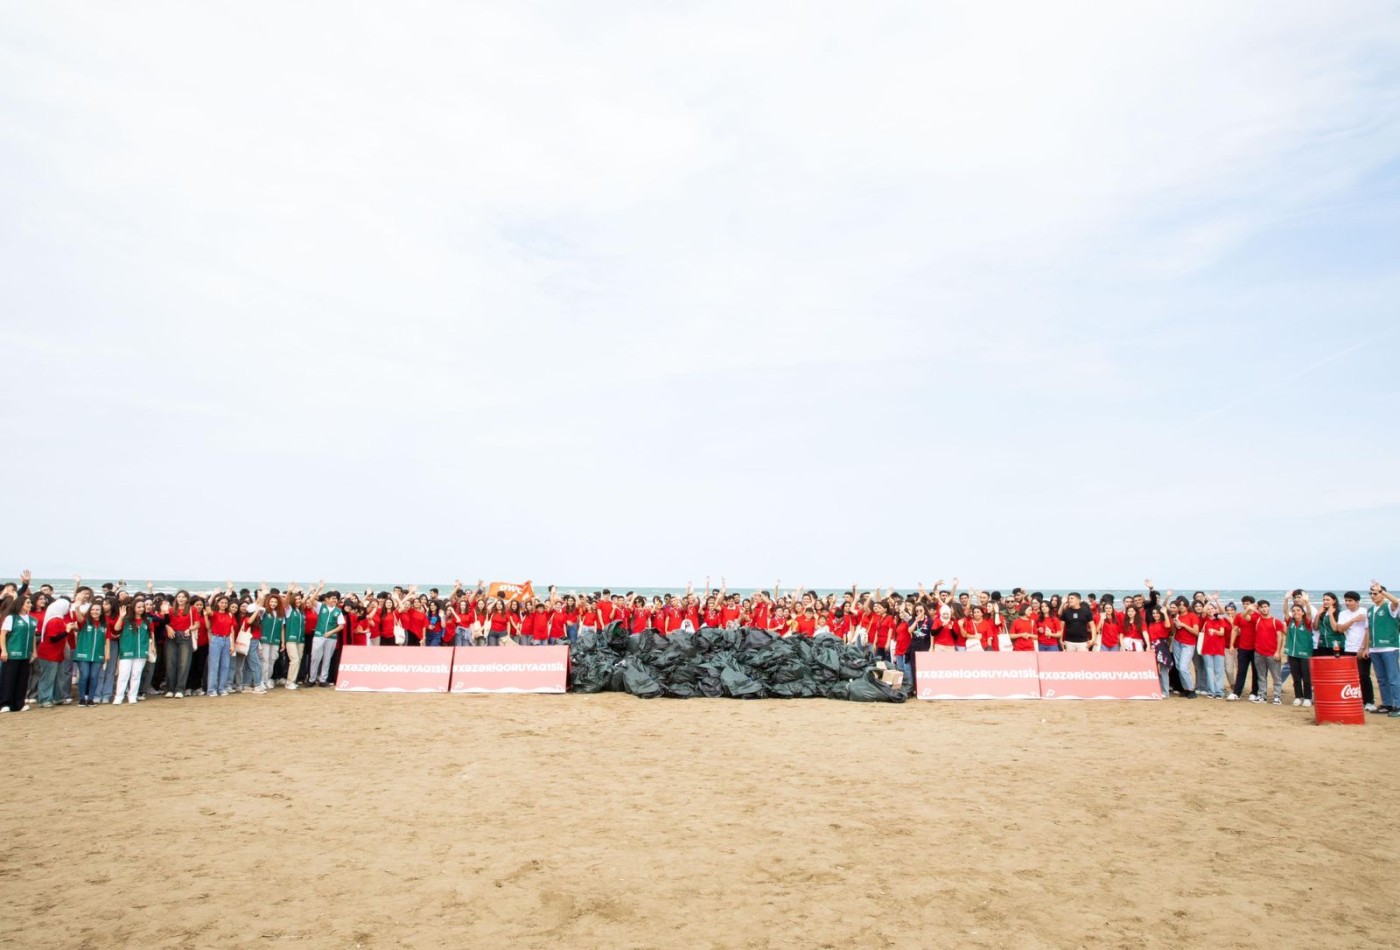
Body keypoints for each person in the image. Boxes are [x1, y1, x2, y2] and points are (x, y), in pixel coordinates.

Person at [1332, 591, 1375, 710]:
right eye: (1346, 600)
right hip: (1348, 648)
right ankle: (1357, 700)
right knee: (1351, 676)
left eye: (1350, 601)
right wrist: (1353, 620)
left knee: (1363, 675)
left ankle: (1369, 701)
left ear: (1357, 602)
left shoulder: (1364, 612)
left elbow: (1368, 631)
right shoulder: (1343, 614)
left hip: (1361, 648)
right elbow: (1340, 629)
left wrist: (1364, 648)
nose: (1347, 603)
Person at [1366, 582, 1400, 716]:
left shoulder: (1389, 607)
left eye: (1376, 593)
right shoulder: (1370, 611)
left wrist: (1382, 591)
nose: (1373, 596)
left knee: (1393, 678)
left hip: (1389, 647)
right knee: (1381, 678)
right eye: (1371, 594)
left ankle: (1397, 705)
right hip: (1375, 649)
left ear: (1382, 594)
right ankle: (1387, 704)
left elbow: (1396, 601)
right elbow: (1368, 629)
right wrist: (1367, 647)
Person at [0, 593, 37, 712]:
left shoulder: (32, 620)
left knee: (22, 680)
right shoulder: (11, 618)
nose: (30, 605)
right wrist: (4, 650)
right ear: (21, 604)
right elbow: (3, 634)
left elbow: (32, 638)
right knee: (8, 679)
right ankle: (4, 703)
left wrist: (34, 652)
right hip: (12, 653)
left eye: (30, 603)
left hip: (25, 654)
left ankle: (19, 704)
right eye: (28, 603)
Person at [113, 597, 153, 706]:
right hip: (126, 651)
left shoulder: (148, 621)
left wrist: (152, 647)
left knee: (136, 674)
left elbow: (151, 634)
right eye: (138, 607)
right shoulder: (126, 620)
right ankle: (119, 696)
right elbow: (116, 628)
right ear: (134, 608)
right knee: (124, 674)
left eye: (142, 607)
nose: (141, 609)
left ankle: (132, 696)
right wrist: (121, 617)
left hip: (141, 651)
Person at [72, 602, 108, 707]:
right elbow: (79, 618)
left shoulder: (104, 625)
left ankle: (91, 699)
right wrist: (77, 607)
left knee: (94, 677)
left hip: (98, 655)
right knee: (85, 675)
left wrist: (107, 653)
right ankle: (82, 698)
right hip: (83, 654)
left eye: (97, 610)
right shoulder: (85, 622)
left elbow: (107, 639)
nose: (94, 612)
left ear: (101, 612)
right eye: (92, 609)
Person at [309, 591, 345, 687]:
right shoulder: (321, 607)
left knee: (327, 658)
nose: (334, 600)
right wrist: (319, 589)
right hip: (318, 635)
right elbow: (311, 600)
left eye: (336, 598)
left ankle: (323, 679)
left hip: (331, 638)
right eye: (332, 598)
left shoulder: (338, 611)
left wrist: (331, 632)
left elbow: (341, 626)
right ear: (327, 599)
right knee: (315, 657)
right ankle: (312, 679)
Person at [1228, 596, 1260, 702]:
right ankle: (1237, 692)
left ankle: (1254, 692)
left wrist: (1250, 610)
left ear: (1253, 604)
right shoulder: (1239, 616)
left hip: (1256, 648)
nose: (1246, 605)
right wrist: (1232, 645)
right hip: (1243, 647)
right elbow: (1235, 630)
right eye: (1244, 604)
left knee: (1256, 671)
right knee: (1241, 671)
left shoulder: (1257, 616)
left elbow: (1248, 618)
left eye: (1248, 603)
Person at [1284, 600, 1315, 707]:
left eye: (1298, 610)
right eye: (1293, 611)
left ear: (1302, 612)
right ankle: (1298, 697)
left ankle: (1308, 698)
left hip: (1305, 654)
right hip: (1292, 654)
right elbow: (1285, 612)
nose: (1295, 612)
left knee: (1306, 677)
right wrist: (1286, 600)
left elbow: (1310, 614)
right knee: (1296, 677)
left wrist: (1306, 603)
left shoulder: (1306, 622)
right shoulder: (1290, 622)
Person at [1169, 597, 1201, 698]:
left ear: (1187, 605)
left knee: (1183, 667)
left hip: (1188, 644)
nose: (1181, 606)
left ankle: (1191, 689)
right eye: (1179, 605)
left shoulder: (1192, 616)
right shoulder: (1176, 616)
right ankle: (1186, 688)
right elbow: (1173, 631)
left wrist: (1183, 625)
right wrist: (1176, 624)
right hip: (1177, 642)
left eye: (1183, 604)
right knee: (1178, 667)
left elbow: (1196, 632)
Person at [1198, 602, 1229, 698]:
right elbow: (1203, 611)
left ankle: (1219, 691)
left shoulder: (1220, 620)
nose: (1210, 610)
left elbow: (1222, 633)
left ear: (1216, 610)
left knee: (1218, 670)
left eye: (1212, 609)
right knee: (1209, 669)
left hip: (1218, 648)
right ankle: (1211, 691)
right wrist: (1209, 601)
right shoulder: (1205, 620)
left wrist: (1214, 631)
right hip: (1207, 648)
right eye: (1209, 609)